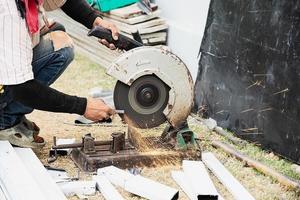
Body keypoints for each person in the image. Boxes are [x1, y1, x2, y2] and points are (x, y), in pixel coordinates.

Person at [0, 0, 119, 148]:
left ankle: (8, 112)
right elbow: (21, 88)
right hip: (16, 83)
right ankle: (4, 120)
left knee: (58, 37)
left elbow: (64, 1)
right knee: (60, 50)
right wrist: (82, 106)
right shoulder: (10, 14)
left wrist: (95, 21)